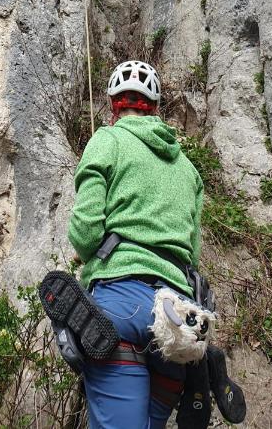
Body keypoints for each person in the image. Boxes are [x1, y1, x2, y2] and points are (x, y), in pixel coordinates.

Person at [67, 60, 203, 427]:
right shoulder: (189, 171)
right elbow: (193, 251)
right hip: (176, 318)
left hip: (120, 306)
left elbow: (85, 231)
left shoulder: (108, 139)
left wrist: (93, 255)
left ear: (114, 104)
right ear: (155, 108)